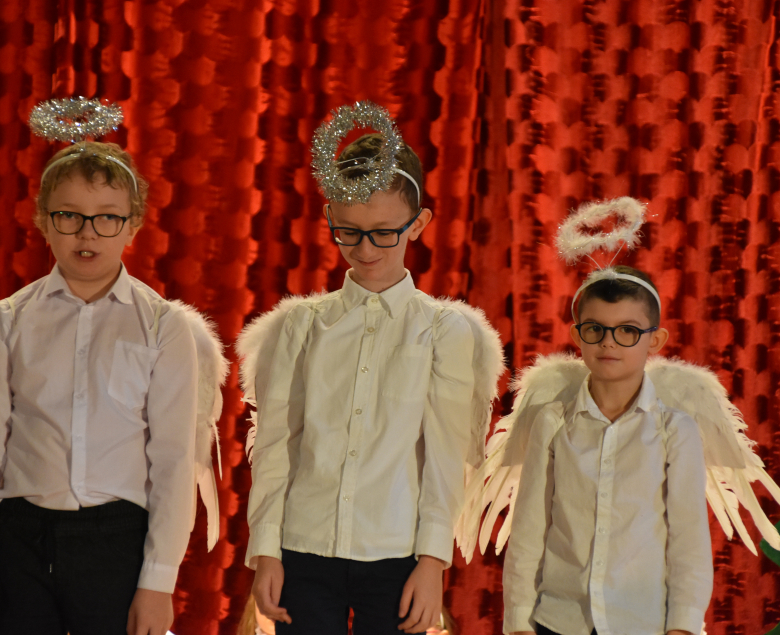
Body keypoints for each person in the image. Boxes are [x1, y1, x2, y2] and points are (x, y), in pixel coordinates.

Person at [238, 103, 504, 635]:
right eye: (349, 232)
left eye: (383, 232)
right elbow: (275, 445)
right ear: (330, 220)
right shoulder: (301, 326)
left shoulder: (444, 331)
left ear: (418, 224)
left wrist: (432, 562)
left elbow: (445, 456)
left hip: (397, 553)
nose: (364, 249)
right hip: (303, 547)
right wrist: (266, 549)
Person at [0, 141, 200, 635]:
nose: (87, 232)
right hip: (18, 537)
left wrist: (158, 583)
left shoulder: (163, 325)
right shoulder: (10, 320)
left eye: (107, 217)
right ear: (43, 220)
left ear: (134, 224)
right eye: (69, 215)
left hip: (116, 540)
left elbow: (174, 460)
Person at [502, 264, 713, 635]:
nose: (608, 342)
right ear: (577, 334)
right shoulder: (553, 423)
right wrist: (519, 621)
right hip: (559, 620)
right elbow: (529, 531)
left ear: (656, 339)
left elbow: (689, 540)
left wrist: (683, 626)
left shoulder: (674, 431)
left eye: (628, 330)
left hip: (641, 623)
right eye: (595, 329)